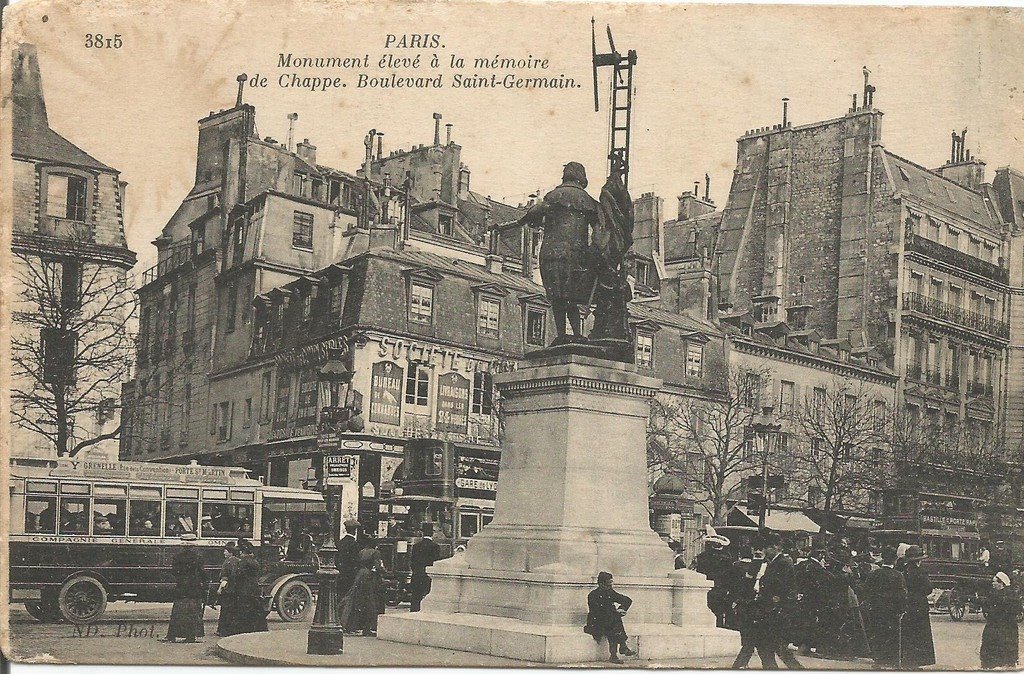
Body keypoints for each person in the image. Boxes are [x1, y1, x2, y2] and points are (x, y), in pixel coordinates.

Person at [519, 162, 599, 344]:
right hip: (576, 255)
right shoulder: (588, 201)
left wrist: (523, 220)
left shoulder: (553, 196)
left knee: (557, 296)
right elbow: (600, 228)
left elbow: (534, 213)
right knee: (571, 296)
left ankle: (562, 334)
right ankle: (577, 334)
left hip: (551, 253)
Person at [754, 534, 804, 669]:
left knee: (774, 648)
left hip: (777, 612)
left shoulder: (783, 562)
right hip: (771, 611)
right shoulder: (774, 562)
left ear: (775, 547)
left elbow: (781, 587)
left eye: (766, 548)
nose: (763, 551)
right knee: (769, 648)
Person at [730, 543, 774, 669]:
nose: (758, 553)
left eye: (761, 550)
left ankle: (739, 666)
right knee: (756, 645)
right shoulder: (750, 567)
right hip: (750, 608)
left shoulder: (769, 566)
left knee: (755, 644)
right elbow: (743, 586)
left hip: (760, 609)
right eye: (756, 551)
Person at [862, 546, 906, 668]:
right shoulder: (898, 575)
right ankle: (891, 661)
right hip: (892, 611)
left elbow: (866, 590)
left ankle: (878, 661)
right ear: (895, 560)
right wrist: (902, 609)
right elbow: (902, 595)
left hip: (876, 609)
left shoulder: (874, 574)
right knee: (892, 635)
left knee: (877, 634)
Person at [584, 571, 637, 664]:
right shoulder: (593, 595)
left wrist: (622, 610)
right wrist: (616, 613)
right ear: (601, 584)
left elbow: (627, 600)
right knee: (613, 621)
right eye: (608, 585)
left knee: (613, 621)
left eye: (611, 585)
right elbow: (597, 613)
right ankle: (622, 647)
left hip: (609, 622)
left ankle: (615, 654)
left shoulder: (610, 592)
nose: (610, 587)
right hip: (596, 623)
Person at [164, 533, 207, 643]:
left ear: (183, 546)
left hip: (182, 587)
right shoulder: (198, 557)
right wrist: (205, 583)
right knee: (193, 612)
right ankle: (190, 636)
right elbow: (202, 572)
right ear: (193, 546)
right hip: (194, 587)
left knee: (178, 611)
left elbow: (174, 572)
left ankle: (172, 635)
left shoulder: (177, 557)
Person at [900, 545, 935, 668]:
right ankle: (918, 660)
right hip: (919, 604)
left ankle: (907, 659)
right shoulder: (921, 572)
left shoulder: (904, 570)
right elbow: (928, 589)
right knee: (920, 633)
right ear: (919, 560)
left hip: (907, 603)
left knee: (908, 632)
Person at [341, 545, 387, 636]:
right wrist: (383, 571)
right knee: (370, 603)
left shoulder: (361, 551)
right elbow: (378, 567)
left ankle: (350, 625)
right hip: (369, 577)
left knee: (357, 601)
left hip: (360, 575)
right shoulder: (375, 552)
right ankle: (367, 628)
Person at [981, 572, 1021, 669]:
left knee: (1003, 645)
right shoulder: (994, 594)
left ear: (1001, 583)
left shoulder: (1009, 596)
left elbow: (1017, 610)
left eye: (994, 582)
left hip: (1005, 626)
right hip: (995, 625)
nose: (992, 583)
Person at [694, 529, 733, 628]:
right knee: (718, 612)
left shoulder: (702, 557)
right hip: (720, 589)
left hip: (709, 588)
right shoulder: (727, 557)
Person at [409, 522, 441, 612]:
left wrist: (416, 571)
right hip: (428, 576)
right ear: (432, 533)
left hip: (417, 575)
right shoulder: (435, 546)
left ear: (422, 533)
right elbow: (435, 562)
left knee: (415, 598)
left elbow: (412, 561)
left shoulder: (416, 546)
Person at [213, 541, 239, 636]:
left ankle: (222, 630)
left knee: (225, 611)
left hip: (228, 589)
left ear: (230, 552)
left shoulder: (227, 562)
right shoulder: (237, 561)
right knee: (232, 610)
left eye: (225, 551)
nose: (224, 553)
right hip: (235, 588)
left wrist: (220, 589)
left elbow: (224, 578)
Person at [334, 520, 360, 597]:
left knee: (340, 594)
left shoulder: (340, 542)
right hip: (350, 574)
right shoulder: (354, 544)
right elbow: (355, 560)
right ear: (354, 531)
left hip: (340, 572)